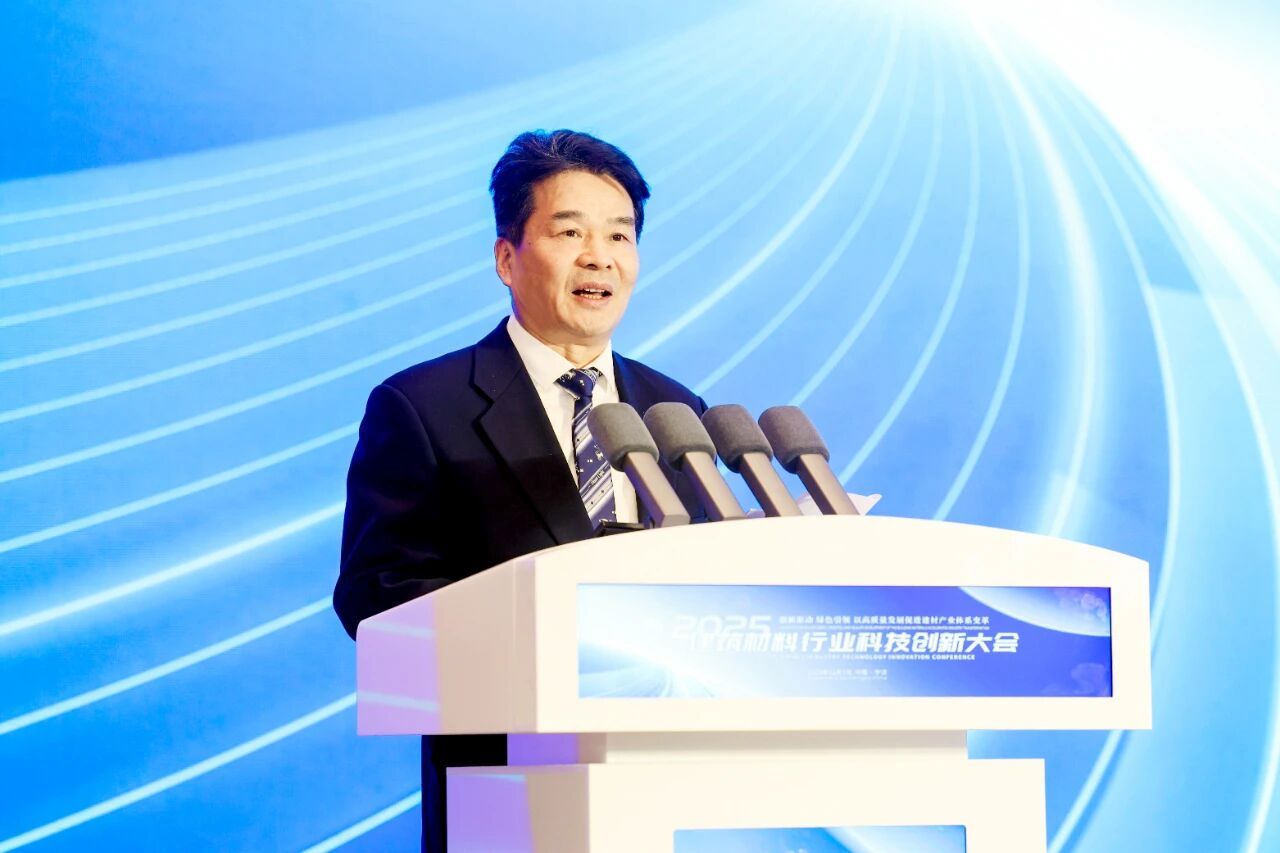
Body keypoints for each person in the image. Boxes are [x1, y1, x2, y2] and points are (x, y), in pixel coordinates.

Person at [333, 129, 708, 851]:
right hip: (507, 792)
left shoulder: (676, 410)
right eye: (571, 233)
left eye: (620, 236)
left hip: (669, 791)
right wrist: (549, 632)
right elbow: (377, 595)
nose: (599, 256)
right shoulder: (424, 405)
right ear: (507, 258)